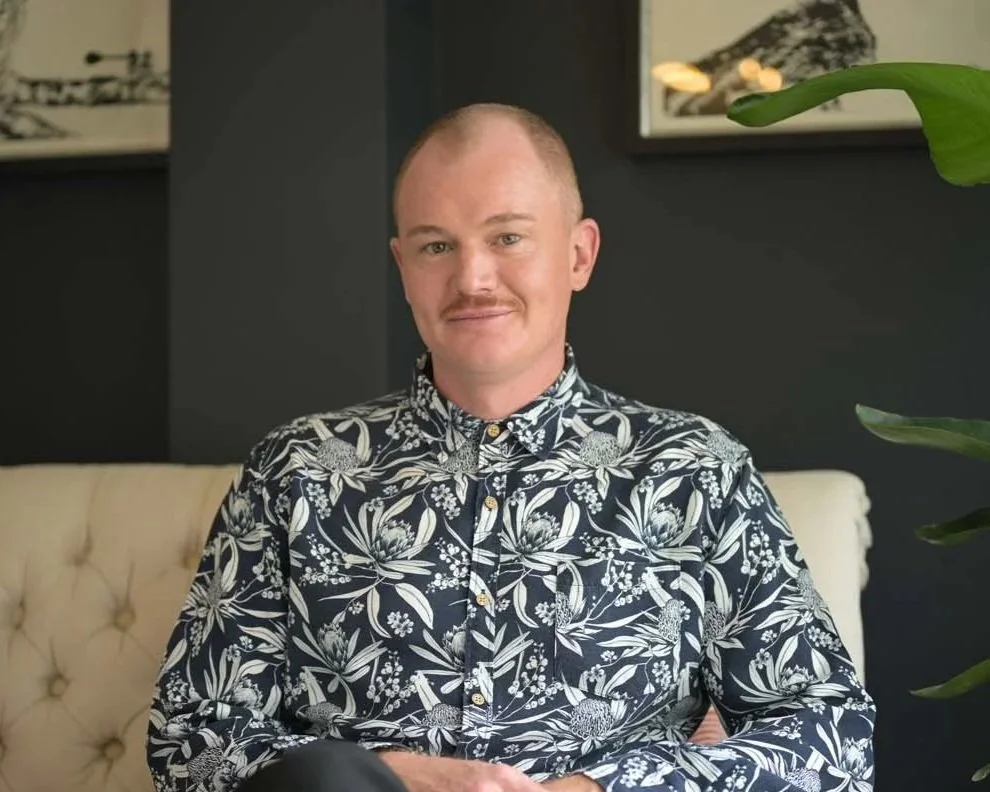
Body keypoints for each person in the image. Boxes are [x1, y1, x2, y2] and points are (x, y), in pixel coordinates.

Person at [146, 102, 876, 792]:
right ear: (403, 269)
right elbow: (191, 740)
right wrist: (393, 774)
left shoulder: (694, 472)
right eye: (437, 246)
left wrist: (597, 789)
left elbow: (830, 739)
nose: (472, 278)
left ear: (579, 255)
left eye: (507, 237)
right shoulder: (295, 471)